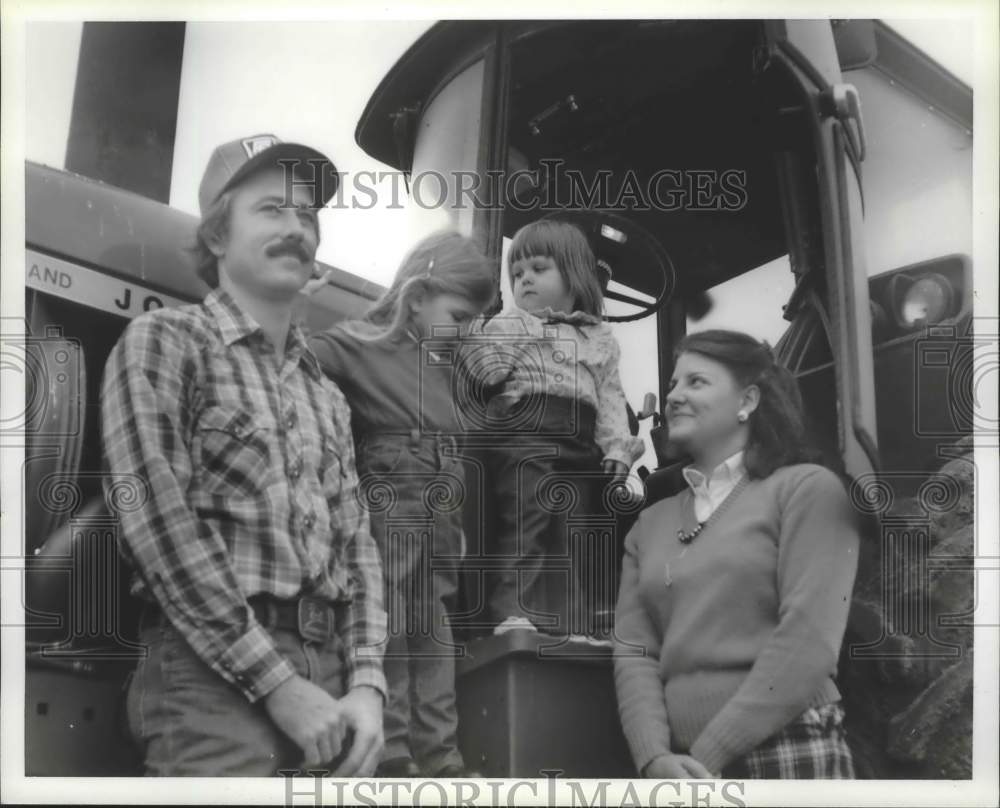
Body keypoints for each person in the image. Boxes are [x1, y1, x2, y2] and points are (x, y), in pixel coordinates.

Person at [101, 134, 386, 776]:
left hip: (334, 680)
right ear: (217, 237)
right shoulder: (166, 343)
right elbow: (157, 526)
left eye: (307, 216)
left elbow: (358, 548)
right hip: (208, 679)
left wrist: (367, 685)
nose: (297, 228)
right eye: (272, 210)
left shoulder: (328, 395)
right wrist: (278, 685)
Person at [613, 329, 859, 779]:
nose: (674, 397)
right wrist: (654, 759)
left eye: (696, 382)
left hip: (788, 747)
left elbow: (808, 642)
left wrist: (707, 758)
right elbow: (635, 652)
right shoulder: (648, 525)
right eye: (672, 385)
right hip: (682, 768)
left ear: (747, 400)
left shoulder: (807, 490)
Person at [308, 231, 496, 778]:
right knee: (386, 616)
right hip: (392, 499)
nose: (466, 333)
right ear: (416, 297)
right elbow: (298, 362)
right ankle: (391, 750)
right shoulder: (361, 343)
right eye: (460, 316)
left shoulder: (445, 366)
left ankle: (441, 756)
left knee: (433, 626)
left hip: (440, 502)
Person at [463, 220, 644, 638]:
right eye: (517, 273)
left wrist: (618, 448)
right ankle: (512, 610)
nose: (524, 279)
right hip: (526, 437)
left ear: (574, 274)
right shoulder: (512, 324)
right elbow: (483, 371)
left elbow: (611, 399)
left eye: (538, 269)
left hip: (581, 445)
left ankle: (572, 622)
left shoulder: (598, 339)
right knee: (529, 519)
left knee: (575, 532)